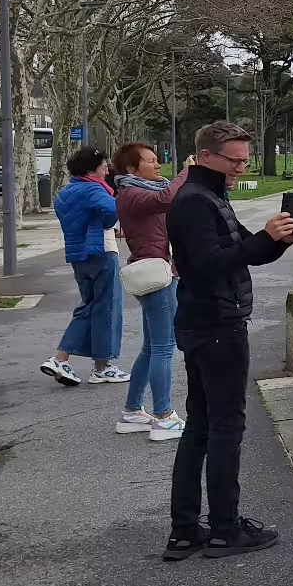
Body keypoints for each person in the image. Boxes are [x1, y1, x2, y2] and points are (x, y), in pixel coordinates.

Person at [164, 121, 293, 560]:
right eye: (235, 160)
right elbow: (208, 266)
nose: (242, 168)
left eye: (245, 159)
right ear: (206, 156)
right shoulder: (193, 201)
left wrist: (278, 241)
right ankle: (224, 528)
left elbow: (246, 252)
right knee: (225, 428)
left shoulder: (212, 197)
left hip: (209, 322)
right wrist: (263, 238)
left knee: (203, 427)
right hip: (216, 325)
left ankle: (187, 531)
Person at [111, 143, 193, 441]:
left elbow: (167, 198)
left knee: (151, 347)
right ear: (132, 169)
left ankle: (133, 412)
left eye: (158, 160)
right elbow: (166, 198)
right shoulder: (133, 193)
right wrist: (187, 171)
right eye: (151, 161)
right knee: (163, 347)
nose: (158, 166)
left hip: (156, 270)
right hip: (156, 275)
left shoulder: (137, 190)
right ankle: (163, 416)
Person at [42, 147, 128, 387]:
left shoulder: (66, 192)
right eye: (103, 166)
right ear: (92, 169)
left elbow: (83, 220)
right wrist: (110, 221)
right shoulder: (93, 189)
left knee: (90, 307)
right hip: (101, 253)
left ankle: (64, 359)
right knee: (108, 308)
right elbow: (111, 211)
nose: (107, 170)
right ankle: (101, 366)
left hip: (79, 256)